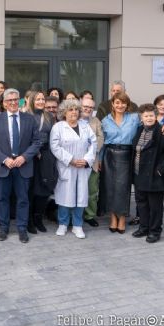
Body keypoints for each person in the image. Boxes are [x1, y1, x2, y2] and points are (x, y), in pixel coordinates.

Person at [0, 88, 42, 243]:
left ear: (20, 101)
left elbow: (37, 142)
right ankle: (3, 228)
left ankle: (22, 229)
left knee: (23, 198)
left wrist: (24, 157)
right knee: (2, 199)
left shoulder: (29, 119)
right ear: (3, 103)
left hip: (23, 165)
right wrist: (4, 159)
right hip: (4, 166)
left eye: (15, 99)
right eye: (9, 100)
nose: (12, 102)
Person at [131, 104, 164, 243]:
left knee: (155, 207)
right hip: (139, 174)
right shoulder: (140, 130)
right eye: (146, 116)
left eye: (151, 115)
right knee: (141, 204)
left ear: (156, 116)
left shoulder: (162, 131)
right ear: (142, 118)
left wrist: (161, 170)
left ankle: (155, 231)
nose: (149, 118)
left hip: (155, 177)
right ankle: (144, 227)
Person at [50, 99, 97, 239]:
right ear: (64, 112)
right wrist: (70, 160)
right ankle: (63, 224)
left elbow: (93, 144)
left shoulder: (85, 126)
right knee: (65, 196)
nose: (74, 112)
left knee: (81, 196)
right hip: (67, 167)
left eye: (76, 109)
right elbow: (55, 146)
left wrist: (87, 160)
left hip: (82, 167)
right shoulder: (58, 127)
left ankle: (77, 225)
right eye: (70, 110)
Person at [100, 92, 140, 234]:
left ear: (127, 105)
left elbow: (151, 121)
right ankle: (113, 218)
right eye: (117, 102)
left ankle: (122, 217)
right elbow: (101, 142)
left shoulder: (135, 118)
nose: (120, 105)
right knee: (110, 187)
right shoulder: (105, 120)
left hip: (126, 155)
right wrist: (99, 160)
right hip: (109, 155)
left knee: (122, 188)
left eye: (123, 103)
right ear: (112, 104)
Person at [25, 90, 57, 233]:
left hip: (46, 155)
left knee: (44, 188)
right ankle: (29, 220)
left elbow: (53, 135)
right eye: (37, 99)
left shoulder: (49, 116)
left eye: (42, 99)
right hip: (31, 156)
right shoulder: (26, 116)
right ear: (32, 100)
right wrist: (34, 150)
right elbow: (24, 137)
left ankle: (38, 218)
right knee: (31, 189)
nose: (41, 101)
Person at [79, 96, 104, 227]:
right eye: (85, 107)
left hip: (92, 161)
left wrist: (92, 152)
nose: (88, 109)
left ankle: (89, 215)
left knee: (92, 191)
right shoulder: (73, 119)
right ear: (80, 106)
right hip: (75, 162)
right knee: (75, 190)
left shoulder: (96, 121)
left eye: (90, 107)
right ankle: (76, 215)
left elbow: (100, 137)